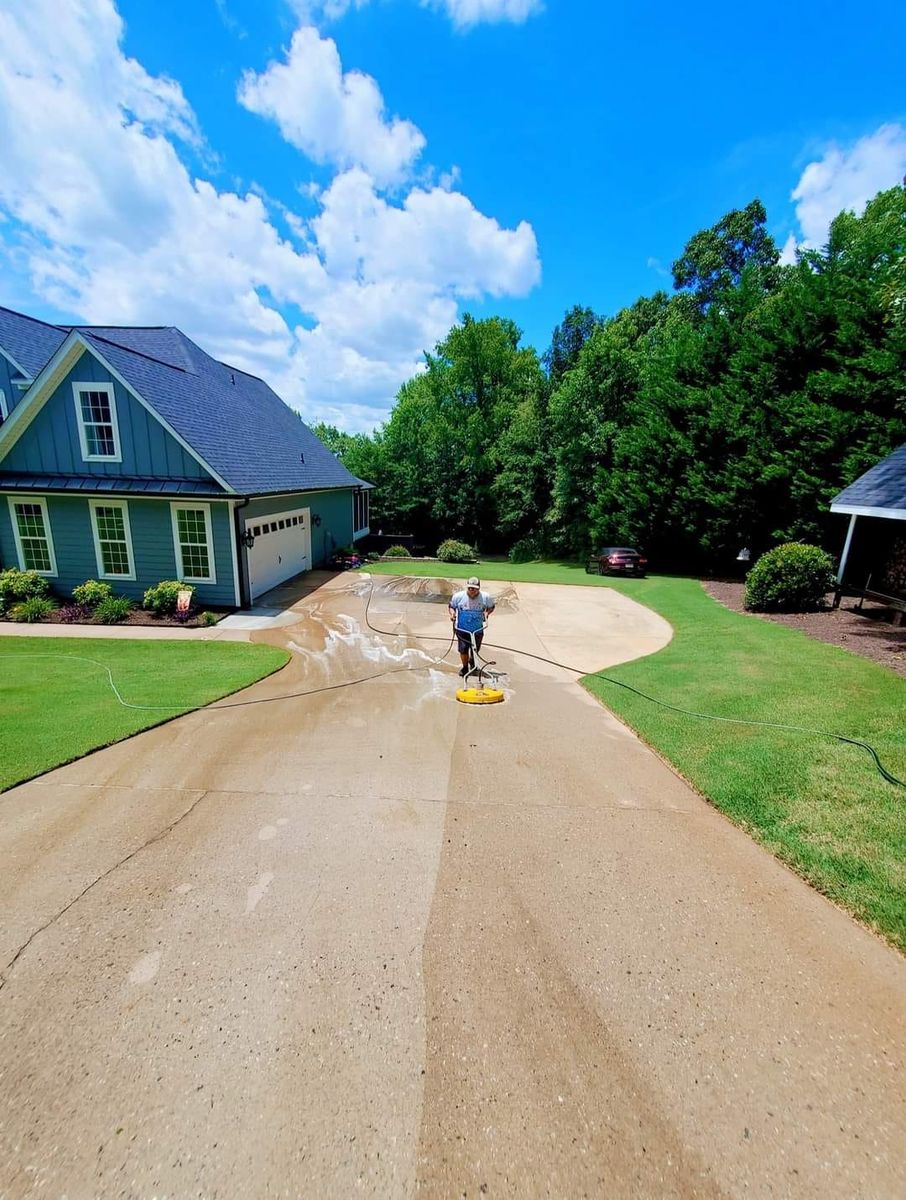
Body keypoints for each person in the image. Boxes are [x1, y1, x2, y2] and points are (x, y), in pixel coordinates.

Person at [448, 576, 496, 677]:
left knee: (475, 649)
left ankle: (472, 661)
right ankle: (465, 667)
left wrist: (487, 613)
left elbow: (491, 607)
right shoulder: (458, 597)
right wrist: (452, 614)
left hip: (478, 629)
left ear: (478, 588)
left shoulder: (486, 597)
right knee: (463, 649)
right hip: (462, 628)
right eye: (469, 588)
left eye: (474, 588)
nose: (471, 590)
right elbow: (452, 606)